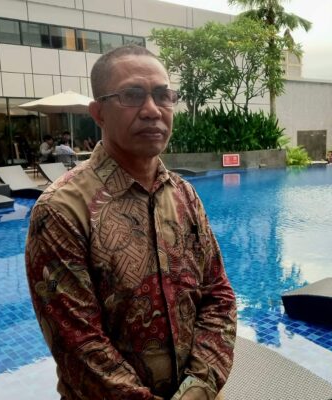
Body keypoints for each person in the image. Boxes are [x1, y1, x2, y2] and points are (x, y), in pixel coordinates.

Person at [25, 45, 237, 400]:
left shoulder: (184, 196)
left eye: (163, 95)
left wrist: (199, 387)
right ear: (99, 113)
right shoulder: (61, 211)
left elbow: (218, 296)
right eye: (132, 95)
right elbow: (80, 347)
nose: (152, 110)